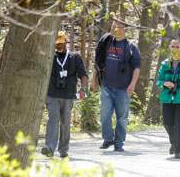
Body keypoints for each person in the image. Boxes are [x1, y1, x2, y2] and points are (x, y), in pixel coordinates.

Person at [92, 19, 141, 152]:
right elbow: (98, 63)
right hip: (107, 86)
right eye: (114, 26)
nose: (116, 29)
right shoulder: (106, 43)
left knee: (122, 118)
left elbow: (137, 68)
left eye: (119, 26)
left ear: (125, 29)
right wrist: (94, 80)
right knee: (104, 116)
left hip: (123, 89)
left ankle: (119, 143)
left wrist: (133, 84)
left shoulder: (131, 46)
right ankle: (108, 138)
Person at [41, 31, 88, 159]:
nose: (59, 46)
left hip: (68, 95)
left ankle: (63, 150)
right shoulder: (50, 57)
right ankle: (50, 147)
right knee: (53, 120)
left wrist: (82, 89)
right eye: (57, 44)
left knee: (65, 123)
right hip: (52, 95)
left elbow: (83, 74)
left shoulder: (75, 57)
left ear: (66, 42)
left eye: (61, 44)